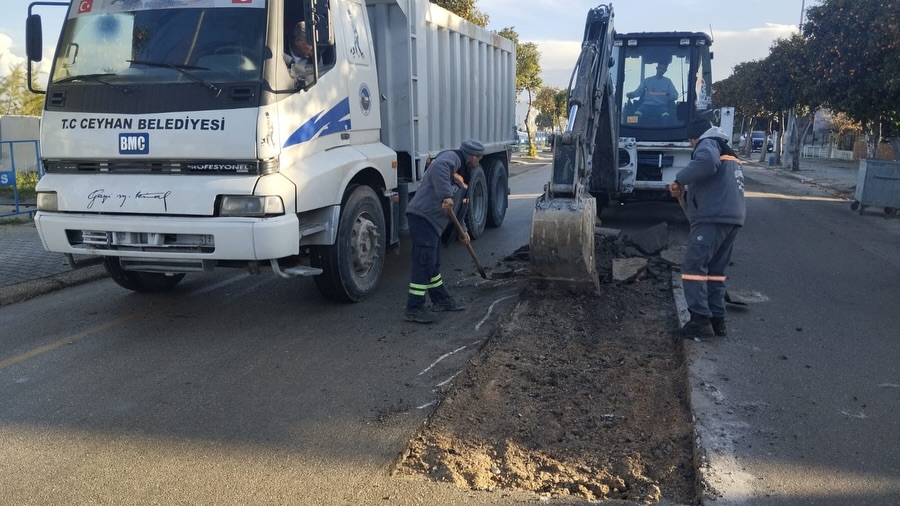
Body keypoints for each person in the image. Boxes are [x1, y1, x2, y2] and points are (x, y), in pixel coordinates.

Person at [668, 118, 746, 338]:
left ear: (695, 137)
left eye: (691, 142)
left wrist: (679, 180)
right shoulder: (728, 150)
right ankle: (717, 319)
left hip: (713, 217)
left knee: (693, 267)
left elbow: (706, 163)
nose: (692, 145)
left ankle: (700, 320)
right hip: (732, 218)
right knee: (715, 272)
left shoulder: (708, 143)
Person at [403, 139, 484, 324]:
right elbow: (438, 167)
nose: (479, 160)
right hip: (423, 217)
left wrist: (463, 231)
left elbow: (458, 209)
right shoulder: (452, 158)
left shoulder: (465, 174)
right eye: (478, 157)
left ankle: (440, 299)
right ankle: (414, 307)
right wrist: (446, 195)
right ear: (470, 156)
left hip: (433, 222)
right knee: (424, 261)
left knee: (433, 262)